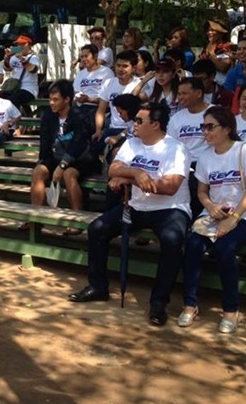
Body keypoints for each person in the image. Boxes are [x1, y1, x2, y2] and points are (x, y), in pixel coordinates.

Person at [69, 102, 191, 328]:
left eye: (139, 121)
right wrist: (136, 173)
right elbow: (114, 169)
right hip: (136, 205)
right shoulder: (132, 143)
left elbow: (170, 186)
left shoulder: (176, 149)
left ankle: (158, 302)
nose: (133, 125)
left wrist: (130, 179)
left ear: (155, 124)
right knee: (97, 229)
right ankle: (98, 286)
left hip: (170, 209)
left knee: (172, 242)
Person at [179, 106, 246, 333]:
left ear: (227, 128)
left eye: (210, 127)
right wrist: (211, 207)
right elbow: (202, 192)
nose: (205, 132)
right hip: (214, 215)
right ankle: (190, 304)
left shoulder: (245, 150)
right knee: (193, 245)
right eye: (202, 127)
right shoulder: (205, 157)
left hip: (244, 215)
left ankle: (230, 310)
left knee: (225, 249)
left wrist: (233, 218)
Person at [27, 80, 98, 235]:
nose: (52, 103)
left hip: (82, 158)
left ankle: (77, 219)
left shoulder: (80, 116)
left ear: (67, 99)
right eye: (50, 99)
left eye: (56, 99)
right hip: (57, 157)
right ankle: (36, 217)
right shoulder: (48, 115)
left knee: (68, 174)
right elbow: (45, 142)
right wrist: (43, 161)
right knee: (38, 171)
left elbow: (78, 144)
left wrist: (63, 165)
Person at [166, 78, 211, 219]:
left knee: (194, 183)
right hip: (183, 164)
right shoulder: (176, 118)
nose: (180, 97)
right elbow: (170, 145)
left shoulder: (215, 113)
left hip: (208, 163)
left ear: (198, 93)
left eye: (184, 93)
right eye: (179, 94)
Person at [92, 50, 142, 150]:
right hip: (112, 127)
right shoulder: (108, 83)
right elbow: (101, 110)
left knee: (116, 152)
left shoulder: (140, 84)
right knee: (91, 150)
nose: (120, 69)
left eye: (125, 66)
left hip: (130, 129)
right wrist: (98, 130)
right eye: (118, 65)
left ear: (134, 68)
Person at [73, 44, 114, 125]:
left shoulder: (106, 72)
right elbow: (76, 91)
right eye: (82, 57)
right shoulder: (81, 74)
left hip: (99, 107)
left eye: (86, 56)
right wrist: (79, 98)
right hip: (81, 106)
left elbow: (109, 97)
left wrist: (89, 99)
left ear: (95, 56)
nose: (83, 59)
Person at [2, 34, 41, 108]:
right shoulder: (14, 57)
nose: (20, 46)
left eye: (23, 44)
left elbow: (33, 70)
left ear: (29, 45)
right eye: (18, 44)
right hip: (15, 87)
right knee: (0, 99)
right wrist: (7, 57)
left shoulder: (34, 57)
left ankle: (16, 117)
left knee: (12, 100)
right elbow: (7, 69)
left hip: (29, 89)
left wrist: (22, 59)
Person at [199, 19, 233, 85]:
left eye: (212, 30)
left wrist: (211, 54)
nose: (209, 32)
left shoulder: (228, 47)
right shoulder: (206, 49)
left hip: (223, 87)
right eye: (208, 30)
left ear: (221, 33)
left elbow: (223, 68)